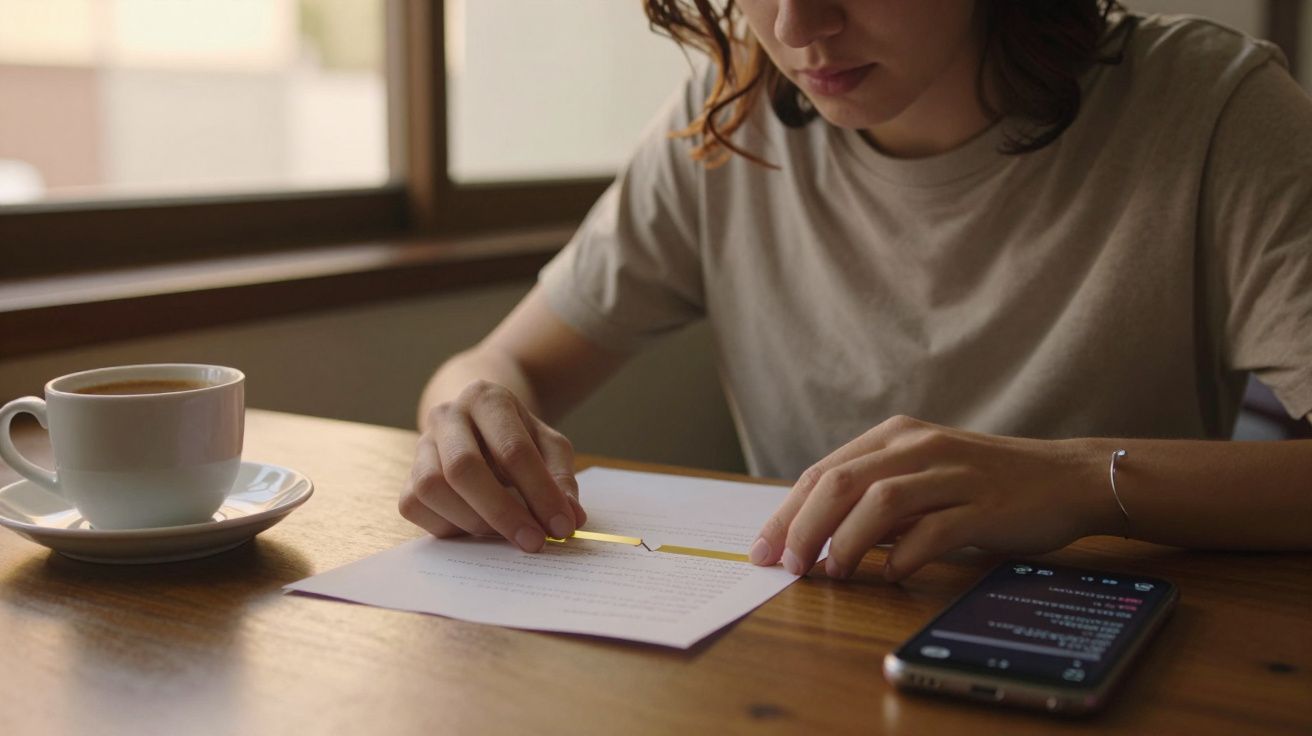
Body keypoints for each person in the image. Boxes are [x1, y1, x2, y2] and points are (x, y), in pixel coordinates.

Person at [398, 0, 1312, 582]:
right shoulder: (728, 121)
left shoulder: (1214, 112)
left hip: (1110, 652)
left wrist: (1072, 481)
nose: (796, 26)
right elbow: (501, 362)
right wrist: (467, 416)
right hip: (802, 643)